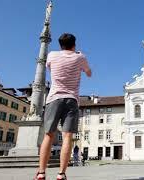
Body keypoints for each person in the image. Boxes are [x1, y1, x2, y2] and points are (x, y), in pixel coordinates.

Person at [34, 33, 92, 180]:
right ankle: (61, 174)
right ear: (74, 44)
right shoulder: (80, 57)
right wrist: (79, 57)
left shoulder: (52, 55)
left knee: (48, 134)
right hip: (72, 100)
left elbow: (49, 67)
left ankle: (41, 173)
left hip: (53, 98)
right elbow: (89, 73)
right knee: (67, 137)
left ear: (60, 45)